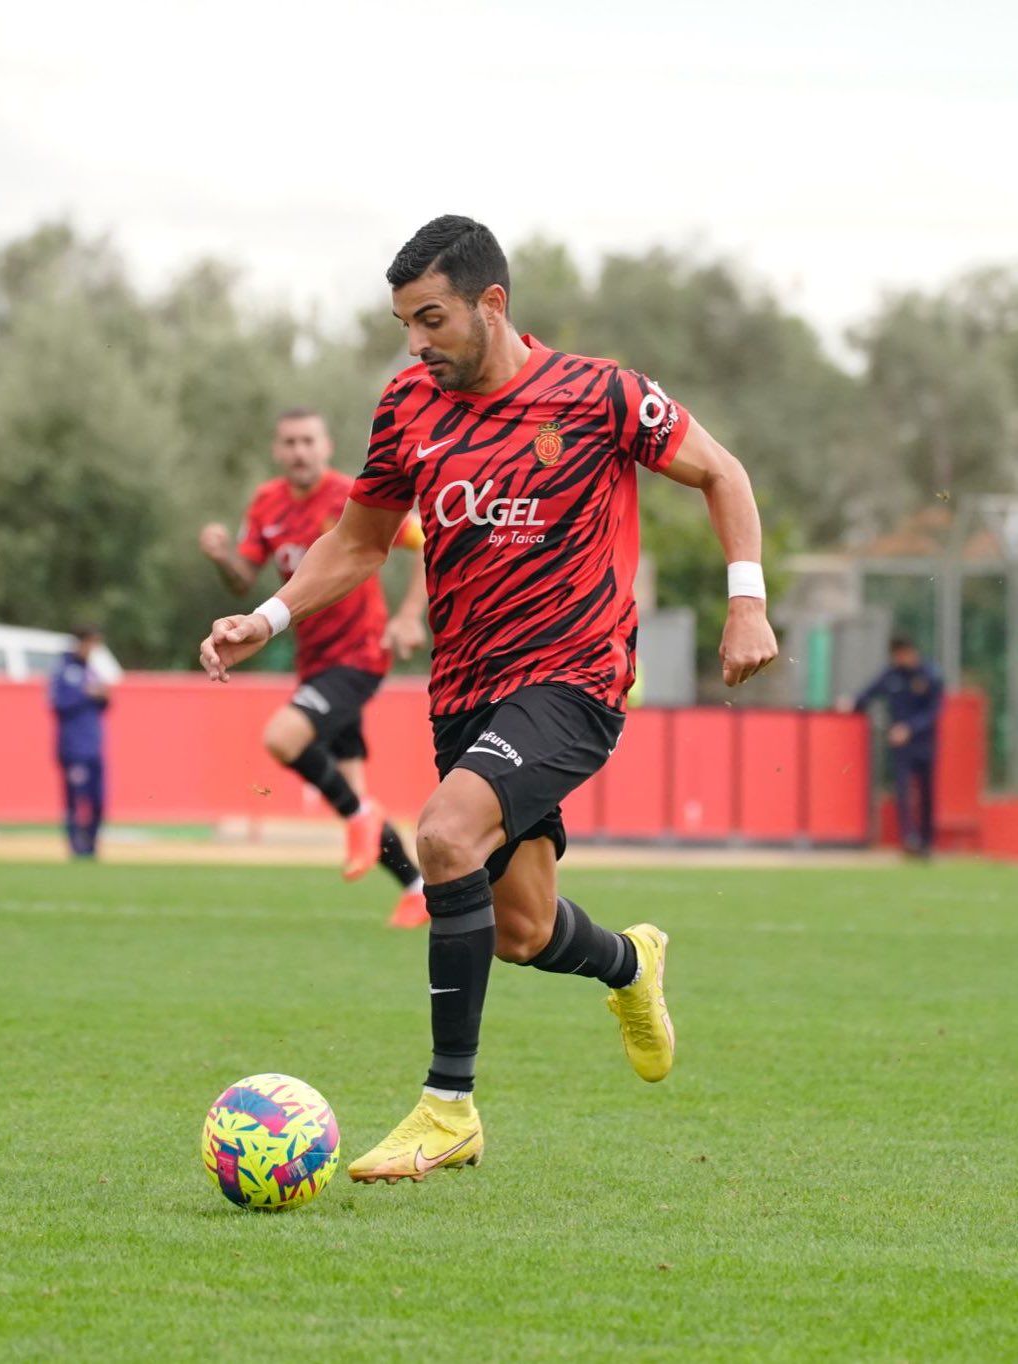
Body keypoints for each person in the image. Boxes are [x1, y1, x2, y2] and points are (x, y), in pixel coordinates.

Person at [201, 215, 777, 1185]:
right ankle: (630, 963)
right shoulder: (407, 407)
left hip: (575, 676)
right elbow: (357, 541)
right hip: (465, 692)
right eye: (403, 324)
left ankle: (447, 1106)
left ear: (491, 302)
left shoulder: (597, 394)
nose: (416, 342)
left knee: (441, 836)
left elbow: (721, 471)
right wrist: (267, 616)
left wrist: (747, 602)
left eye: (430, 318)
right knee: (519, 928)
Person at [199, 409, 431, 928]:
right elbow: (243, 581)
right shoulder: (266, 503)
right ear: (278, 451)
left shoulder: (352, 497)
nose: (299, 450)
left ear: (325, 447)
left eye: (308, 440)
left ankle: (361, 820)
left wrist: (411, 615)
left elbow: (424, 542)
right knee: (353, 792)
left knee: (283, 739)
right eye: (290, 442)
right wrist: (220, 556)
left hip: (361, 653)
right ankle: (417, 888)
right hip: (315, 661)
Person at [846, 636, 943, 856]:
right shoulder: (892, 675)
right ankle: (909, 839)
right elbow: (869, 693)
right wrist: (852, 703)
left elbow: (934, 711)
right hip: (901, 746)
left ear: (910, 652)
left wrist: (909, 728)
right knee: (903, 791)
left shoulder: (930, 674)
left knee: (927, 793)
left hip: (924, 743)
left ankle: (927, 842)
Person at [49, 626, 110, 858]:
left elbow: (103, 704)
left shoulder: (92, 671)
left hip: (94, 747)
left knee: (97, 801)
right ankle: (76, 849)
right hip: (73, 748)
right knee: (75, 800)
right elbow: (57, 703)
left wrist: (103, 696)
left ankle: (91, 846)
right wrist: (85, 693)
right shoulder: (64, 671)